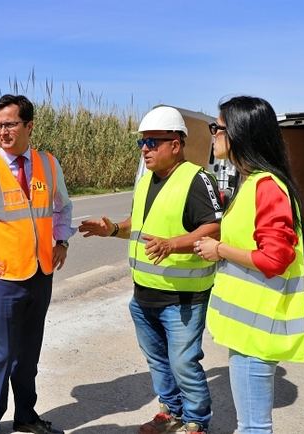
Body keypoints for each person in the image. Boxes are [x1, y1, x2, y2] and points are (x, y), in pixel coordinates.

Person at [78, 106, 222, 434]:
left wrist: (173, 244)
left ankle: (197, 421)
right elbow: (139, 226)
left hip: (183, 296)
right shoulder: (145, 182)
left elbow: (214, 229)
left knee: (184, 363)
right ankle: (170, 410)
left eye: (153, 142)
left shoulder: (198, 179)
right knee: (157, 361)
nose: (145, 149)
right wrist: (113, 228)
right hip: (143, 295)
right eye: (141, 143)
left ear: (176, 143)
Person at [0, 94, 73, 434]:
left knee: (29, 355)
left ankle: (26, 417)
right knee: (2, 356)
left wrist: (61, 240)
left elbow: (63, 206)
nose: (2, 132)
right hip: (3, 279)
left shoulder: (48, 164)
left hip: (41, 274)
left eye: (10, 124)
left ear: (29, 126)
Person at [197, 96, 304, 434]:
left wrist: (220, 249)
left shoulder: (267, 187)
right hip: (249, 330)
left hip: (258, 332)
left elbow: (275, 258)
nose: (213, 134)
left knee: (253, 427)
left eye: (217, 128)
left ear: (240, 133)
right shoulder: (252, 183)